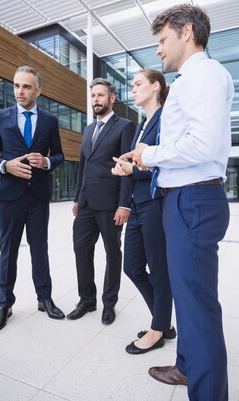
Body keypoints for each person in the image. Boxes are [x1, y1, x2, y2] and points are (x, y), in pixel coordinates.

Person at [122, 4, 234, 401]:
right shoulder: (194, 78)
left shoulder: (201, 75)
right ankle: (187, 366)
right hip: (185, 198)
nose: (158, 50)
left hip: (193, 199)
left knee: (198, 306)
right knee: (189, 299)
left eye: (162, 40)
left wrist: (148, 154)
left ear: (187, 32)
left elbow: (202, 144)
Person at [0, 65, 65, 332]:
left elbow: (60, 156)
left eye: (27, 86)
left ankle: (45, 299)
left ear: (38, 91)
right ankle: (4, 303)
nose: (20, 91)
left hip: (38, 196)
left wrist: (46, 162)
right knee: (8, 251)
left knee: (40, 248)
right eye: (17, 85)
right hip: (9, 197)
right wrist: (5, 165)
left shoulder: (50, 121)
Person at [111, 69, 175, 354]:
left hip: (155, 203)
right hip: (138, 204)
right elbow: (140, 165)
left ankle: (158, 328)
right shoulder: (140, 125)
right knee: (132, 267)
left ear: (156, 86)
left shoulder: (166, 120)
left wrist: (132, 169)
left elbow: (163, 166)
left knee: (158, 271)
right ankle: (162, 320)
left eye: (138, 84)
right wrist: (125, 168)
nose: (133, 89)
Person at [68, 78, 135, 325]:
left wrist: (124, 204)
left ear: (112, 98)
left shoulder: (125, 126)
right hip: (86, 204)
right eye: (93, 96)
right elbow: (83, 167)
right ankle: (87, 300)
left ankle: (109, 303)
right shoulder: (87, 129)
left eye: (101, 95)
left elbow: (127, 166)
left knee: (112, 254)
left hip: (110, 204)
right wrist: (77, 197)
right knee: (81, 250)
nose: (96, 100)